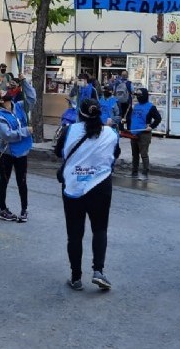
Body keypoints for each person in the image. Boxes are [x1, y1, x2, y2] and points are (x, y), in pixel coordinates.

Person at [58, 98, 120, 291]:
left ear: (80, 113)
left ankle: (76, 277)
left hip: (73, 186)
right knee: (100, 229)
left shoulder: (69, 130)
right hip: (100, 186)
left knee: (74, 234)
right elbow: (115, 153)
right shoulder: (110, 133)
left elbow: (59, 152)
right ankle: (98, 271)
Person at [0, 75, 36, 222]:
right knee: (4, 181)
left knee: (22, 181)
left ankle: (24, 210)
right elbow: (8, 135)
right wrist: (25, 131)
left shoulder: (19, 107)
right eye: (3, 93)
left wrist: (25, 83)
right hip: (6, 153)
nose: (6, 91)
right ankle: (2, 210)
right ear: (1, 101)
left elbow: (32, 99)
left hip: (22, 151)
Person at [124, 87, 162, 181]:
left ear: (145, 95)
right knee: (135, 154)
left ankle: (145, 173)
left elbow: (158, 118)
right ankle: (134, 172)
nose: (138, 97)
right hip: (134, 133)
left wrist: (151, 126)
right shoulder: (135, 106)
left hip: (144, 134)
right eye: (137, 95)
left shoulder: (150, 107)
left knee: (144, 154)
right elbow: (132, 117)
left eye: (140, 95)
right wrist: (125, 121)